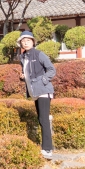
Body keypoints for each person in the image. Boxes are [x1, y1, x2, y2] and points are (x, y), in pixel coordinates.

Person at [18, 31, 56, 159]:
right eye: (23, 41)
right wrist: (23, 77)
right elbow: (28, 73)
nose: (26, 42)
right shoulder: (23, 57)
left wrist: (43, 81)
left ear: (33, 42)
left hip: (43, 90)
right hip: (33, 91)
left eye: (28, 40)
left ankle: (47, 149)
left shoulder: (39, 54)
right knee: (41, 119)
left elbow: (51, 69)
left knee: (43, 119)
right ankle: (46, 147)